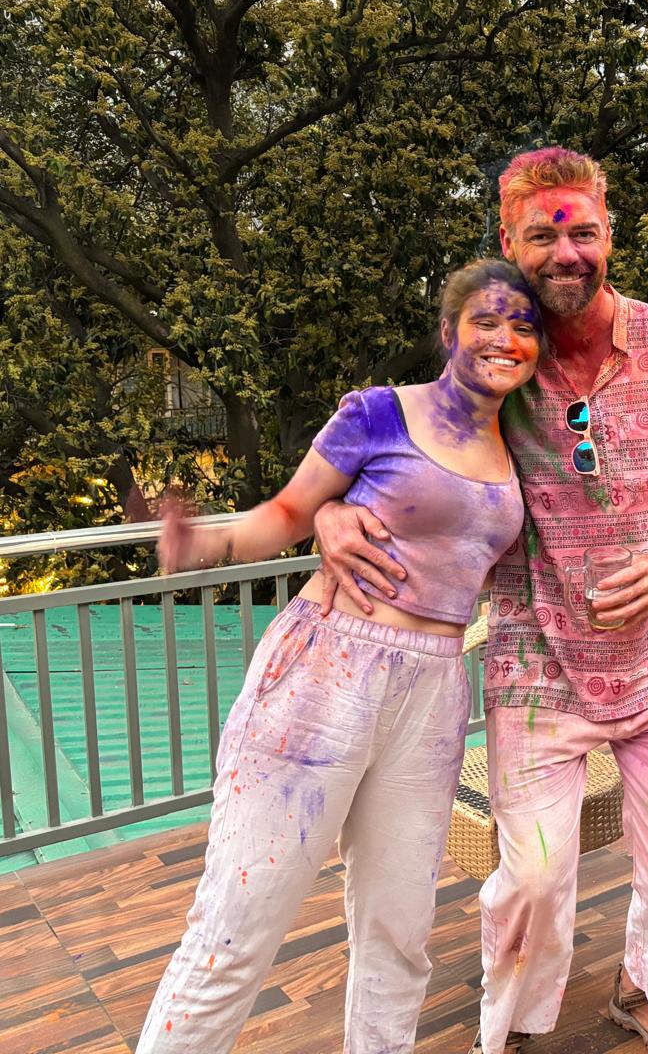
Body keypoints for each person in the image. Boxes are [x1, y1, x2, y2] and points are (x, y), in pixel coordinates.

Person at [314, 148, 648, 1054]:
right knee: (533, 878)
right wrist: (328, 511)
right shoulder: (497, 362)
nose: (566, 251)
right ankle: (510, 1029)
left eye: (582, 230)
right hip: (537, 668)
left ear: (609, 237)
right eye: (543, 233)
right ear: (509, 240)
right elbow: (392, 438)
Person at [137, 259, 541, 1053]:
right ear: (449, 331)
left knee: (400, 934)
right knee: (235, 928)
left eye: (524, 326)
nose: (505, 338)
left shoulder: (521, 444)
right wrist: (207, 540)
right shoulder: (379, 414)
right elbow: (288, 512)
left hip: (432, 690)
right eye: (486, 321)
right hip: (326, 672)